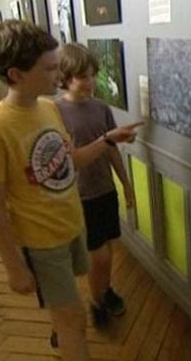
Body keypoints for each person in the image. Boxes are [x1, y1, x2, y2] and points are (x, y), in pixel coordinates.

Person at [0, 20, 142, 361]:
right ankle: (65, 329)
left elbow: (70, 162)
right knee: (74, 321)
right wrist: (13, 267)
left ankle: (60, 324)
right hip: (41, 241)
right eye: (49, 68)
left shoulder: (48, 108)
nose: (57, 74)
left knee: (68, 306)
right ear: (17, 74)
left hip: (71, 224)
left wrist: (107, 139)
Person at [55, 43, 132, 328]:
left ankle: (105, 290)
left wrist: (125, 184)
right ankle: (96, 300)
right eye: (81, 77)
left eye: (91, 75)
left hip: (105, 190)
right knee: (97, 255)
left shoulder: (101, 108)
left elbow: (111, 149)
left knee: (107, 251)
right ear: (65, 78)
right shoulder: (55, 111)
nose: (88, 82)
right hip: (80, 195)